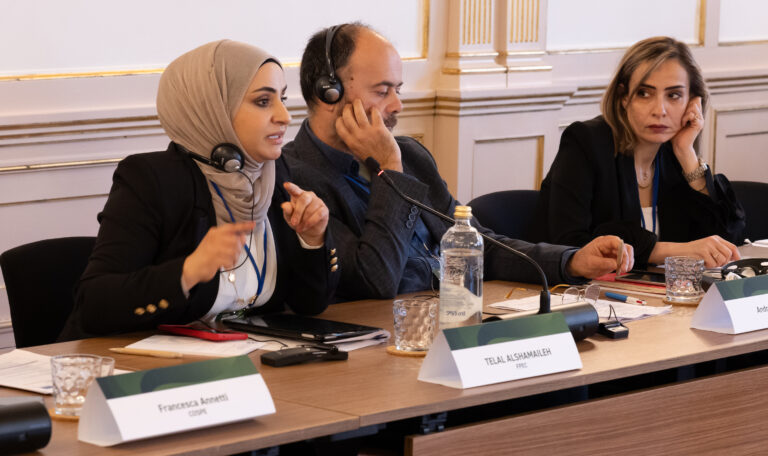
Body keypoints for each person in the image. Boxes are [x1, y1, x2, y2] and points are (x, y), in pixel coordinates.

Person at [282, 22, 633, 302]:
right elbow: (377, 279)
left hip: (456, 317)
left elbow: (479, 245)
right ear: (328, 93)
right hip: (385, 345)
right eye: (381, 90)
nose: (397, 105)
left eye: (398, 90)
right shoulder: (296, 179)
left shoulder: (412, 157)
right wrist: (389, 167)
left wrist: (571, 260)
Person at [61, 40, 338, 340]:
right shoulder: (152, 180)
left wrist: (312, 240)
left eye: (282, 99)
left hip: (245, 366)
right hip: (144, 372)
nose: (285, 116)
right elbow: (94, 304)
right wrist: (187, 271)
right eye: (263, 101)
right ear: (213, 106)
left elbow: (310, 304)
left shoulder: (274, 174)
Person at [534, 36, 745, 268]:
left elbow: (724, 241)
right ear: (624, 97)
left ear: (692, 101)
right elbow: (570, 243)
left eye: (674, 95)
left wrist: (686, 153)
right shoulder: (586, 143)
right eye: (644, 93)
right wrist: (675, 251)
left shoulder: (674, 154)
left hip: (663, 297)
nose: (660, 110)